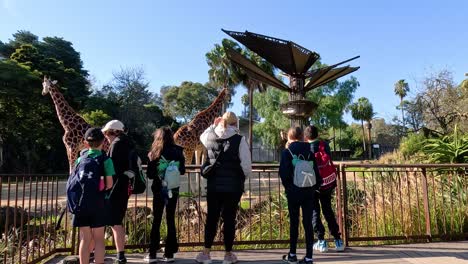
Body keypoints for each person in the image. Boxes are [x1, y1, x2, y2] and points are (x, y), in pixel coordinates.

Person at [195, 112, 251, 264]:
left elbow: (202, 136)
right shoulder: (240, 140)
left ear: (220, 122)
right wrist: (239, 179)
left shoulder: (209, 137)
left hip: (213, 186)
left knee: (212, 219)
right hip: (233, 188)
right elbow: (246, 166)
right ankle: (228, 255)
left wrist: (214, 124)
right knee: (229, 219)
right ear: (235, 123)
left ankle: (206, 254)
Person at [279, 127, 321, 264]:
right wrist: (313, 188)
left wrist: (289, 188)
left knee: (294, 223)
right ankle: (309, 257)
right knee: (308, 223)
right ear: (302, 136)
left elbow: (283, 174)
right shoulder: (310, 152)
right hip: (308, 192)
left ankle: (292, 254)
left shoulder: (287, 152)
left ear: (290, 137)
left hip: (293, 193)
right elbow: (316, 174)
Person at [73, 128, 114, 264]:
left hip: (81, 203)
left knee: (85, 238)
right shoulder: (106, 160)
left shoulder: (79, 159)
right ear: (103, 142)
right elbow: (109, 184)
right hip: (98, 203)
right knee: (98, 238)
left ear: (86, 143)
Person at [145, 127, 185, 263]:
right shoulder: (178, 151)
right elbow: (183, 171)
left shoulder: (154, 153)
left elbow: (150, 174)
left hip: (159, 189)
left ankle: (152, 254)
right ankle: (169, 254)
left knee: (156, 219)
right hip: (173, 189)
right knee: (170, 219)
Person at [304, 125, 344, 252]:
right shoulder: (324, 145)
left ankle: (321, 241)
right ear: (317, 134)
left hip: (312, 185)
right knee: (328, 210)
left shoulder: (305, 147)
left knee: (315, 212)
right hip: (326, 184)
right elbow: (329, 159)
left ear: (306, 136)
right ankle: (338, 241)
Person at [102, 120, 134, 264]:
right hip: (124, 187)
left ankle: (100, 253)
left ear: (115, 132)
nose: (106, 136)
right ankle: (120, 254)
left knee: (112, 223)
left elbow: (112, 169)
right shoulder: (129, 143)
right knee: (117, 222)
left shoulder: (116, 145)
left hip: (114, 188)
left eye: (107, 133)